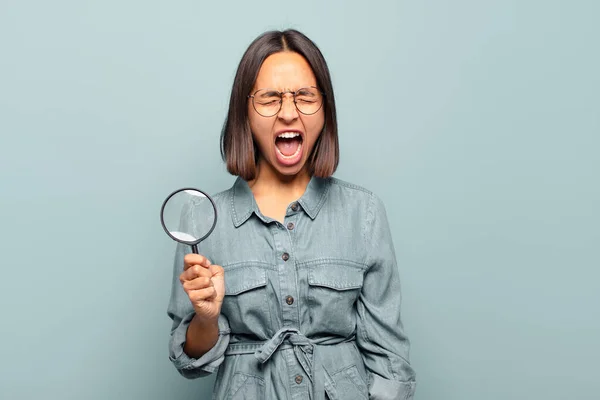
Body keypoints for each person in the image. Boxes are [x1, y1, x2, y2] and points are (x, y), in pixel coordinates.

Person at [166, 29, 416, 400]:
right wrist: (206, 317)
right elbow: (189, 362)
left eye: (304, 97)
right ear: (245, 113)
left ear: (324, 107)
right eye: (269, 98)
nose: (287, 113)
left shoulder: (363, 213)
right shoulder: (206, 222)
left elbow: (389, 362)